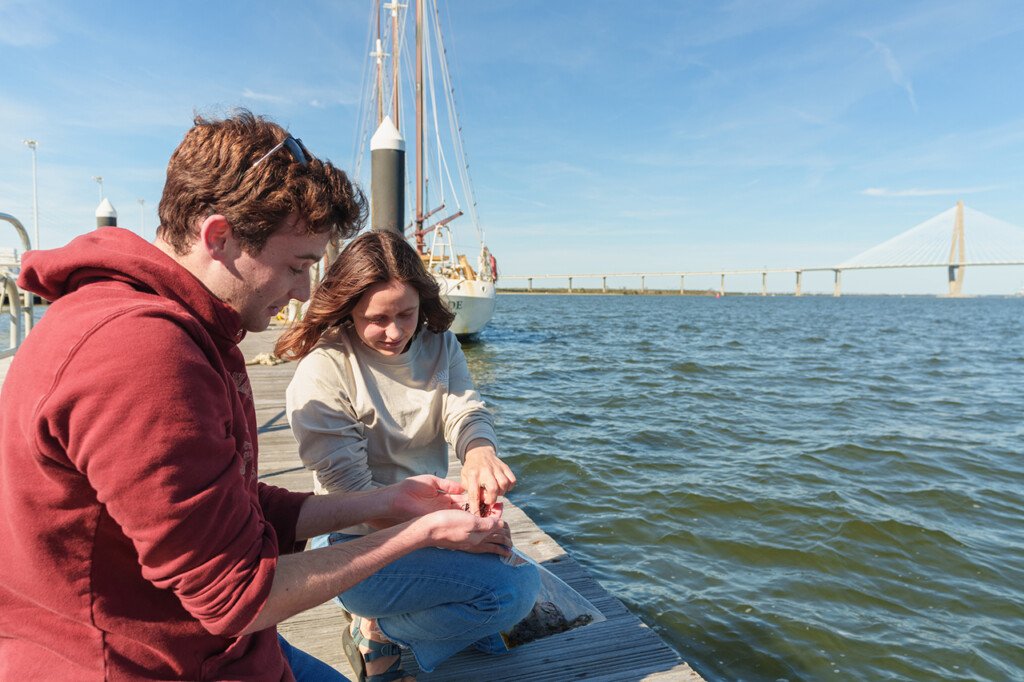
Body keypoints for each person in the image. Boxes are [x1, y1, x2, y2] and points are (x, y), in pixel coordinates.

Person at [0, 111, 513, 681]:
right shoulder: (139, 354)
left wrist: (389, 502)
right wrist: (423, 531)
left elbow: (235, 507)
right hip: (146, 663)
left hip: (217, 649)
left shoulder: (182, 329)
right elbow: (235, 597)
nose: (301, 291)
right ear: (219, 237)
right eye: (298, 266)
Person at [277, 231, 539, 681]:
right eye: (376, 319)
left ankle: (427, 615)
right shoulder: (324, 369)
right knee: (513, 595)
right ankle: (378, 628)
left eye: (406, 314)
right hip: (357, 543)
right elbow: (355, 497)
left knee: (510, 579)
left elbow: (464, 410)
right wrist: (445, 535)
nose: (396, 332)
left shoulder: (439, 343)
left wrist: (478, 452)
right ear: (348, 310)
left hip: (433, 518)